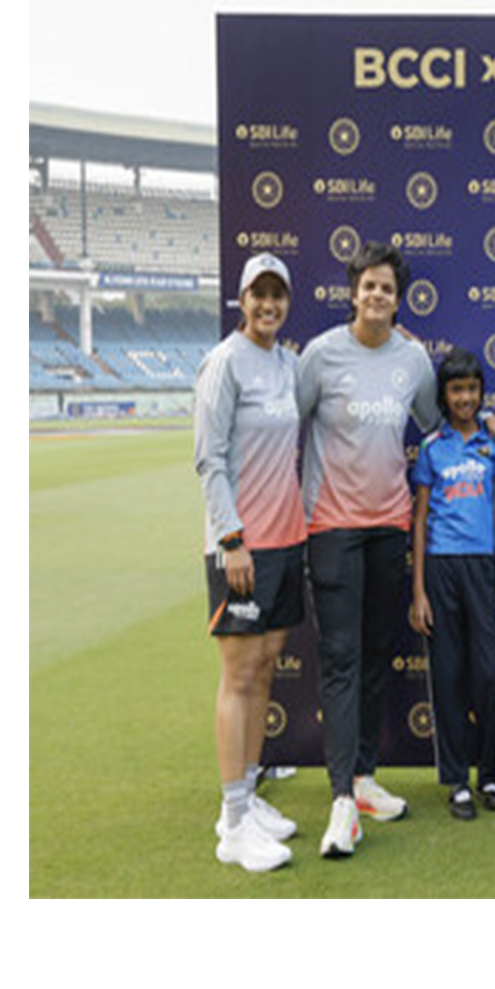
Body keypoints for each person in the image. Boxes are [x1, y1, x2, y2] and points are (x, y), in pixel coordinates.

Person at [297, 240, 495, 858]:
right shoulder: (320, 356)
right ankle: (341, 800)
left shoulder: (414, 359)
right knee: (339, 657)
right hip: (332, 528)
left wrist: (489, 416)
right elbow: (292, 423)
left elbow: (440, 421)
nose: (376, 296)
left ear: (398, 297)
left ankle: (363, 778)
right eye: (367, 286)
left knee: (372, 657)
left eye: (386, 288)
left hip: (391, 527)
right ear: (353, 291)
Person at [194, 252, 305, 872]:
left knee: (265, 667)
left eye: (277, 295)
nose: (268, 304)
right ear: (241, 299)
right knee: (238, 674)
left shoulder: (288, 364)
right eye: (258, 295)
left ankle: (250, 791)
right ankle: (232, 820)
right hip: (242, 546)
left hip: (286, 540)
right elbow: (209, 459)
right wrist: (231, 539)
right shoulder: (224, 363)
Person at [410, 348, 495, 819]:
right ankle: (456, 780)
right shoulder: (432, 448)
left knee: (488, 676)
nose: (465, 397)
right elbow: (420, 516)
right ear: (444, 396)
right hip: (441, 568)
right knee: (447, 677)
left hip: (485, 568)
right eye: (456, 390)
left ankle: (489, 775)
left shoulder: (494, 447)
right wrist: (418, 591)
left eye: (472, 389)